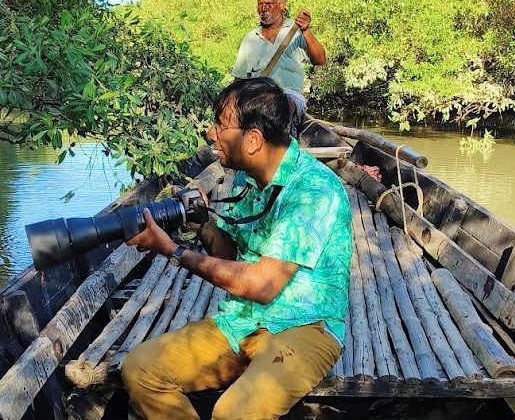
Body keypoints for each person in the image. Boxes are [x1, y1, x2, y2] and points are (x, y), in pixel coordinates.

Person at [121, 77, 352, 419]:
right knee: (141, 369)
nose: (212, 134)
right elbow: (231, 256)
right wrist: (203, 225)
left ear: (254, 140)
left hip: (305, 325)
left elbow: (261, 285)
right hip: (242, 320)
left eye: (220, 125)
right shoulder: (248, 177)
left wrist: (175, 251)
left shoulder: (314, 190)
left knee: (233, 413)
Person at [231, 0, 327, 95]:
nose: (263, 9)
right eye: (260, 4)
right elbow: (239, 81)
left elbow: (320, 60)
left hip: (291, 98)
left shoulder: (297, 31)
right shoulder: (250, 39)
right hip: (261, 99)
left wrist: (306, 31)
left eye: (268, 4)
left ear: (282, 5)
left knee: (285, 103)